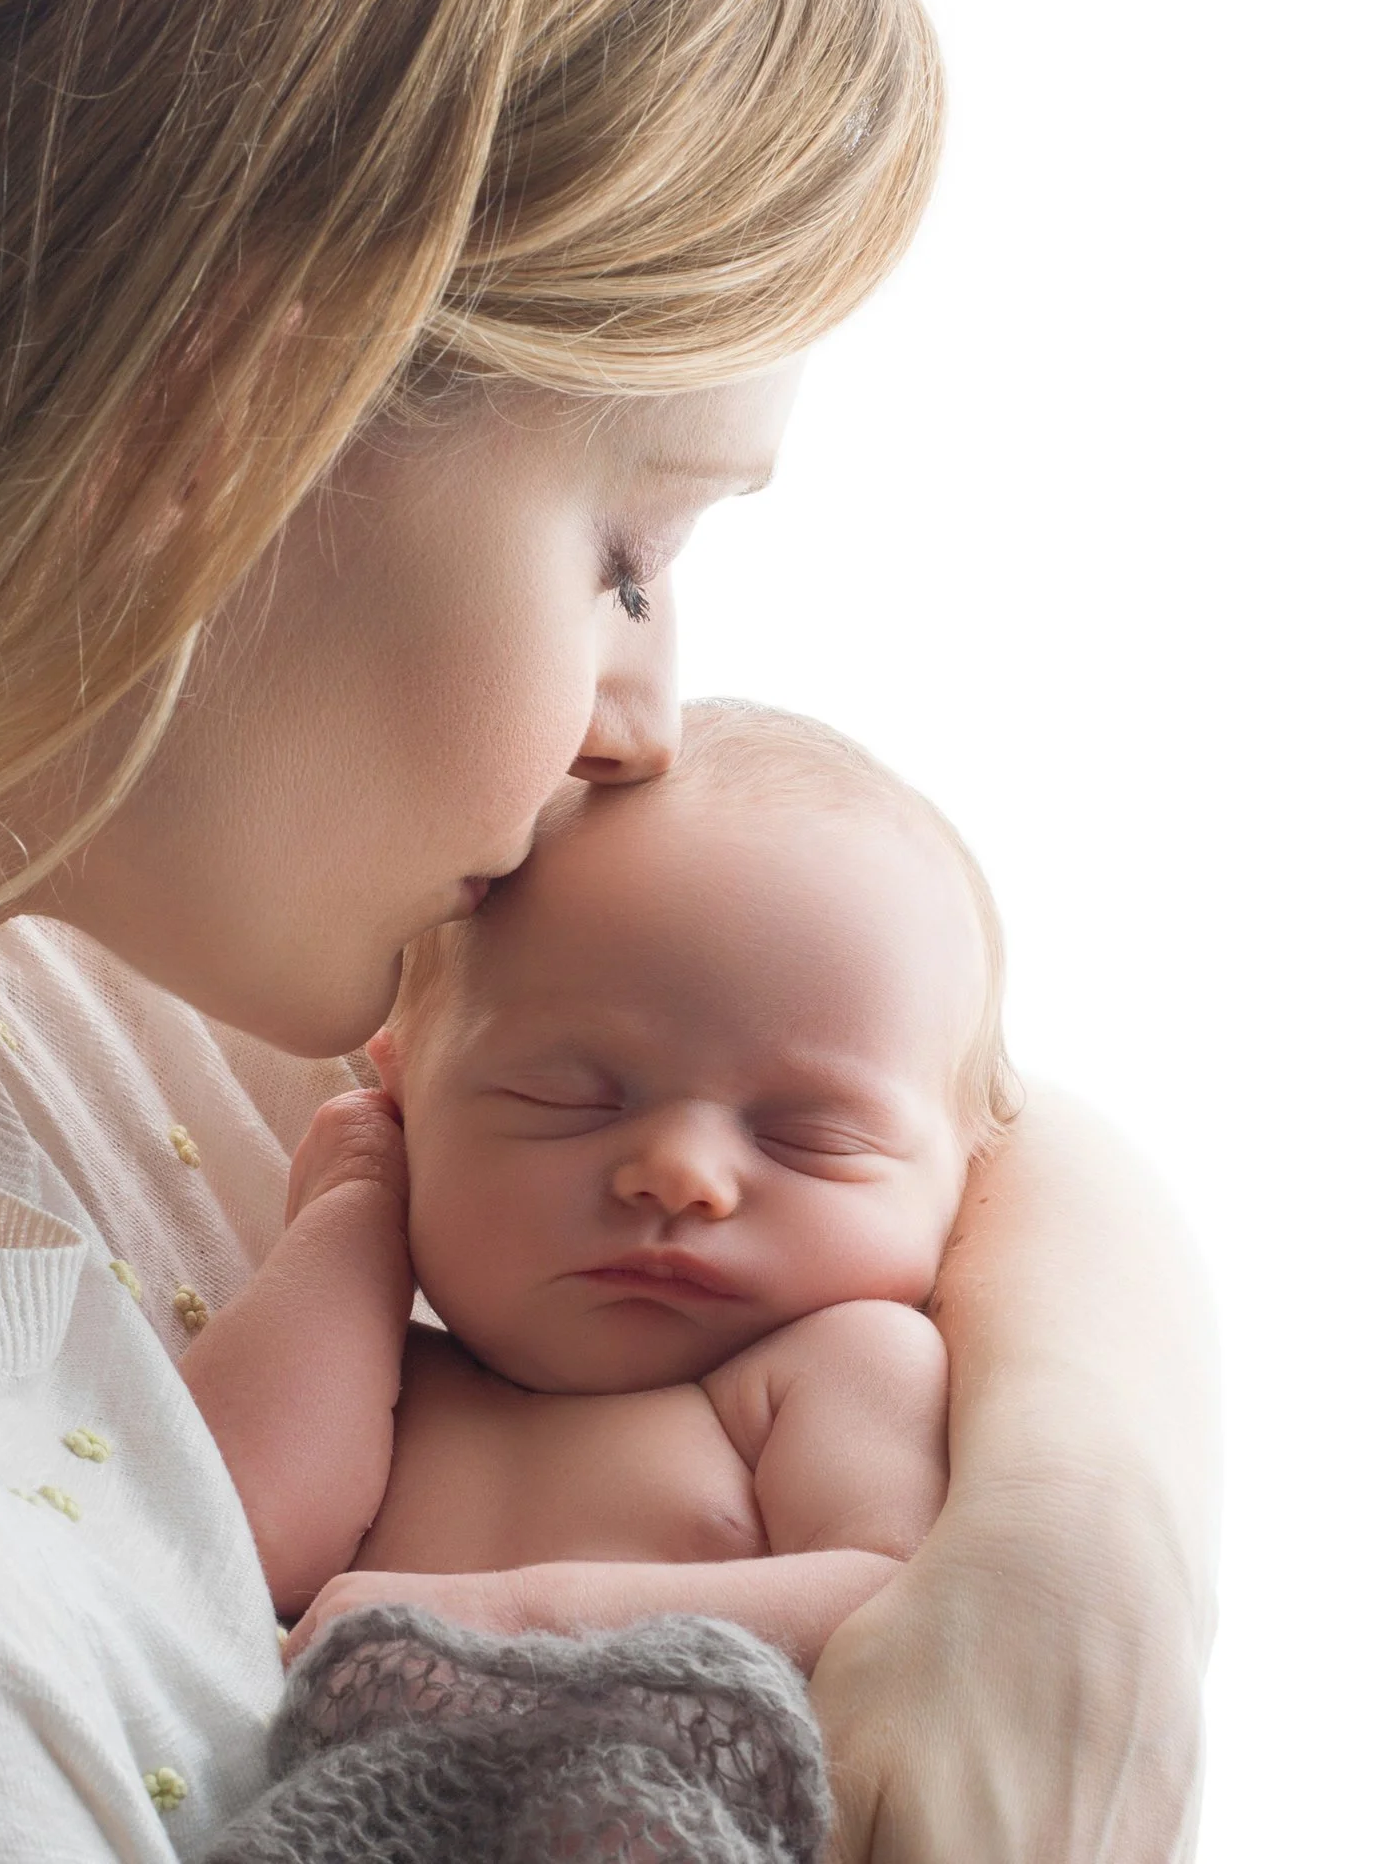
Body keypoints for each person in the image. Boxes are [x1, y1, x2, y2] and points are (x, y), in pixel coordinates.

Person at [0, 0, 1216, 1858]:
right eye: (627, 558)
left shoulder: (57, 952)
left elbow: (967, 1125)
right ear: (224, 414)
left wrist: (1073, 1538)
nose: (645, 722)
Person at [196, 702, 1010, 1676]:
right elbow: (225, 1535)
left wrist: (524, 1618)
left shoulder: (840, 1364)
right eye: (565, 1098)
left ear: (964, 1171)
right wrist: (356, 1205)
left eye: (810, 1137)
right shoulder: (382, 1373)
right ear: (407, 1092)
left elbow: (899, 1608)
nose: (681, 1175)